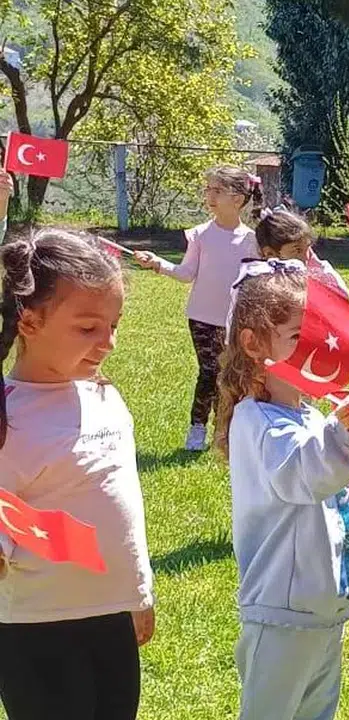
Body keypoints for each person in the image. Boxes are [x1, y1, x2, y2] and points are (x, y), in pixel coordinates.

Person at [215, 261, 349, 720]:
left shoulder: (311, 417)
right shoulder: (257, 421)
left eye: (317, 337)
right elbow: (307, 474)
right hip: (282, 611)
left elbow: (337, 509)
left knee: (316, 712)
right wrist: (346, 435)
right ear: (253, 344)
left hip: (322, 609)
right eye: (298, 337)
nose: (314, 349)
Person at [0, 231, 155, 720]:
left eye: (114, 325)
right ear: (29, 321)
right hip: (36, 628)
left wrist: (138, 594)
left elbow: (122, 510)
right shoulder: (9, 419)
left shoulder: (105, 397)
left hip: (111, 619)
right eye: (88, 328)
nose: (107, 342)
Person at [135, 166, 261, 452]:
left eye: (217, 190)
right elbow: (186, 273)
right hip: (202, 318)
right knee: (209, 371)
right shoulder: (200, 235)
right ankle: (197, 427)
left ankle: (225, 430)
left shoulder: (252, 240)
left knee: (230, 376)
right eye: (208, 190)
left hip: (236, 321)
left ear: (238, 199)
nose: (210, 196)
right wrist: (158, 263)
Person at [254, 206, 349, 297]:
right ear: (269, 253)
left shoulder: (315, 272)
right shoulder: (259, 284)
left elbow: (341, 297)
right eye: (298, 250)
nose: (306, 257)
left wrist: (317, 264)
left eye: (308, 248)